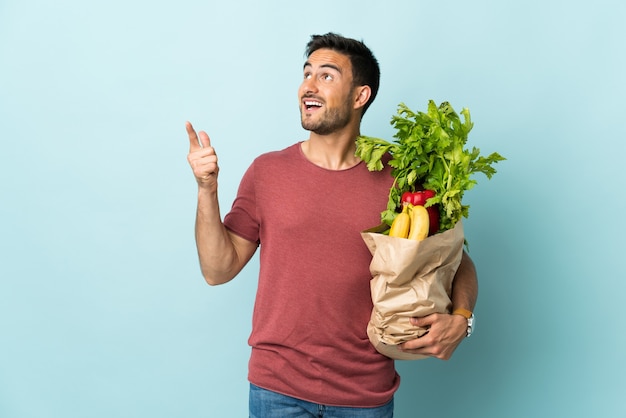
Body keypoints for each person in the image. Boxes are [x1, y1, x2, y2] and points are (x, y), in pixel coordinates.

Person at [186, 33, 478, 418]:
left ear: (360, 96)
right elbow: (217, 269)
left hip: (365, 393)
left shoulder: (401, 177)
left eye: (326, 76)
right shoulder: (267, 172)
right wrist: (207, 190)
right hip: (277, 389)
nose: (308, 84)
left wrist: (462, 319)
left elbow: (457, 261)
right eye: (306, 74)